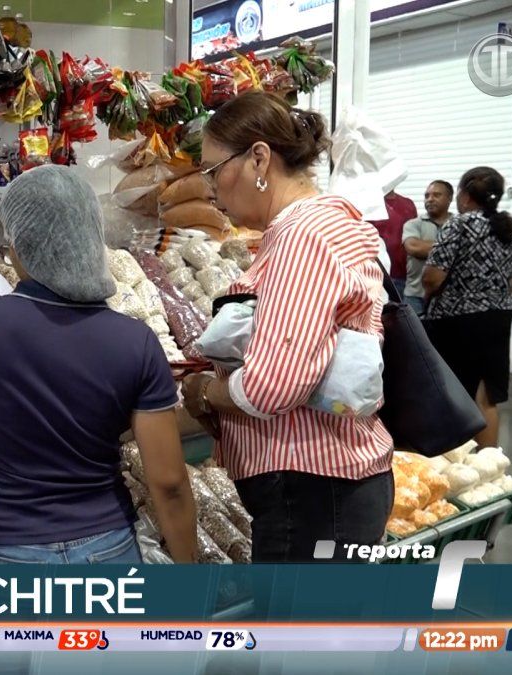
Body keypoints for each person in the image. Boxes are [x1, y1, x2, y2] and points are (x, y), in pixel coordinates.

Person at [0, 165, 198, 564]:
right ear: (91, 239)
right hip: (106, 548)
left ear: (22, 246)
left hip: (7, 550)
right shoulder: (137, 342)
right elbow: (169, 483)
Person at [179, 91, 393, 563]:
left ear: (259, 159)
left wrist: (203, 391)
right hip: (330, 486)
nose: (210, 189)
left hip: (313, 491)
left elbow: (271, 387)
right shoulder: (326, 224)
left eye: (214, 171)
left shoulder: (303, 237)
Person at [422, 166, 512, 449]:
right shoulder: (511, 230)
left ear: (465, 196)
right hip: (499, 317)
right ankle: (489, 465)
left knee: (453, 394)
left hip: (457, 322)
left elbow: (432, 277)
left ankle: (453, 462)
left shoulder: (459, 225)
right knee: (486, 396)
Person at [401, 180, 454, 314]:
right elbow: (414, 248)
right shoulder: (413, 224)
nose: (430, 199)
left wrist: (426, 245)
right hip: (415, 296)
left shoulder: (458, 224)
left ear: (449, 198)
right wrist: (452, 246)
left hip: (449, 297)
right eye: (427, 196)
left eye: (436, 195)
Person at [369, 189, 419, 290]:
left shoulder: (408, 204)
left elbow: (415, 235)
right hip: (379, 275)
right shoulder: (369, 206)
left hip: (406, 275)